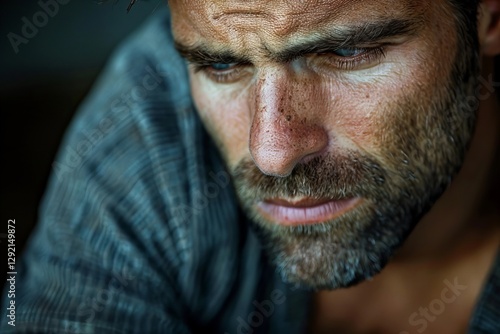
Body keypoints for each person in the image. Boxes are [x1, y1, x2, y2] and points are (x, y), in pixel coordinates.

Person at [2, 0, 499, 333]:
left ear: (488, 19)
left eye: (346, 52)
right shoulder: (154, 115)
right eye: (221, 67)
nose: (272, 153)